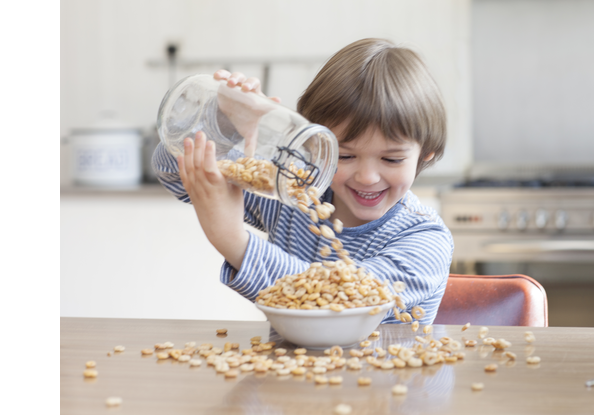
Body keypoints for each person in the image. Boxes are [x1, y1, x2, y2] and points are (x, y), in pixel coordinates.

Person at [152, 38, 453, 324]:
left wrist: (233, 241)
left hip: (390, 379)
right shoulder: (300, 196)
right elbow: (172, 171)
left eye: (391, 160)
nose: (367, 177)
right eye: (345, 156)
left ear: (426, 153)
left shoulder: (426, 239)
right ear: (316, 147)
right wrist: (223, 123)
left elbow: (342, 300)